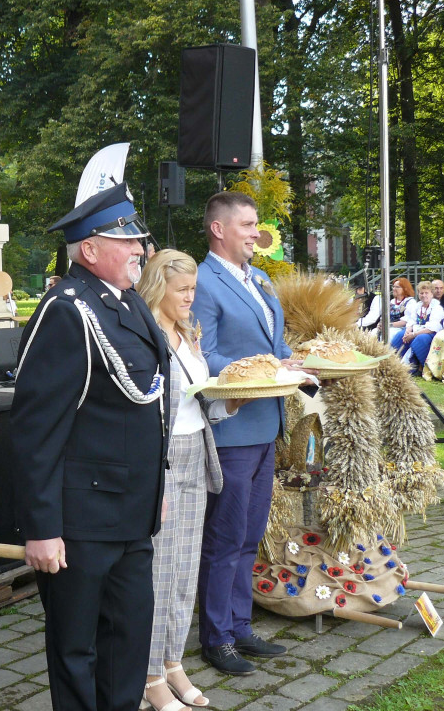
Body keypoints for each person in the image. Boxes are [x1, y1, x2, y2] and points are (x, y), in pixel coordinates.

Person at [11, 183, 169, 711]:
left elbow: (148, 409)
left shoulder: (127, 304)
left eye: (139, 240)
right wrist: (43, 528)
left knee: (128, 641)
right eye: (126, 241)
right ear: (90, 249)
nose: (140, 251)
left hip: (130, 514)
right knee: (77, 651)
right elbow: (36, 431)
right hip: (80, 519)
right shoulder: (68, 310)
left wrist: (156, 490)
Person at [191, 191, 301, 676]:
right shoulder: (202, 281)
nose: (257, 233)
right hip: (232, 427)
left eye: (256, 225)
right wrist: (265, 368)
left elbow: (274, 345)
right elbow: (203, 356)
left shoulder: (258, 279)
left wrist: (295, 363)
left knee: (250, 534)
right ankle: (215, 637)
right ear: (219, 229)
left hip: (266, 423)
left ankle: (239, 626)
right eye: (248, 225)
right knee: (225, 535)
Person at [136, 249, 244, 711]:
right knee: (160, 573)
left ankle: (174, 661)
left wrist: (232, 402)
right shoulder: (143, 336)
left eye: (193, 289)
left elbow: (199, 403)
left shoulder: (187, 332)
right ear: (158, 287)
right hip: (161, 461)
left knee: (185, 571)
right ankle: (149, 674)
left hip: (198, 453)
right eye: (183, 290)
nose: (190, 298)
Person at [391, 281, 444, 373]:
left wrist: (413, 334)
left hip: (430, 333)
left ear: (432, 294)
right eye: (421, 293)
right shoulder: (417, 306)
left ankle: (421, 367)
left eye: (426, 293)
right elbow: (411, 320)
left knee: (420, 339)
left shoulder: (437, 308)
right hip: (415, 331)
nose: (424, 295)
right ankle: (394, 364)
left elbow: (432, 327)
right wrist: (408, 331)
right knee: (401, 335)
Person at [385, 277, 416, 343]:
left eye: (397, 287)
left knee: (389, 334)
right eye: (393, 287)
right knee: (373, 332)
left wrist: (388, 325)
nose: (394, 289)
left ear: (405, 289)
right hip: (388, 326)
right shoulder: (391, 301)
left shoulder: (410, 302)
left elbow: (406, 322)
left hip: (401, 328)